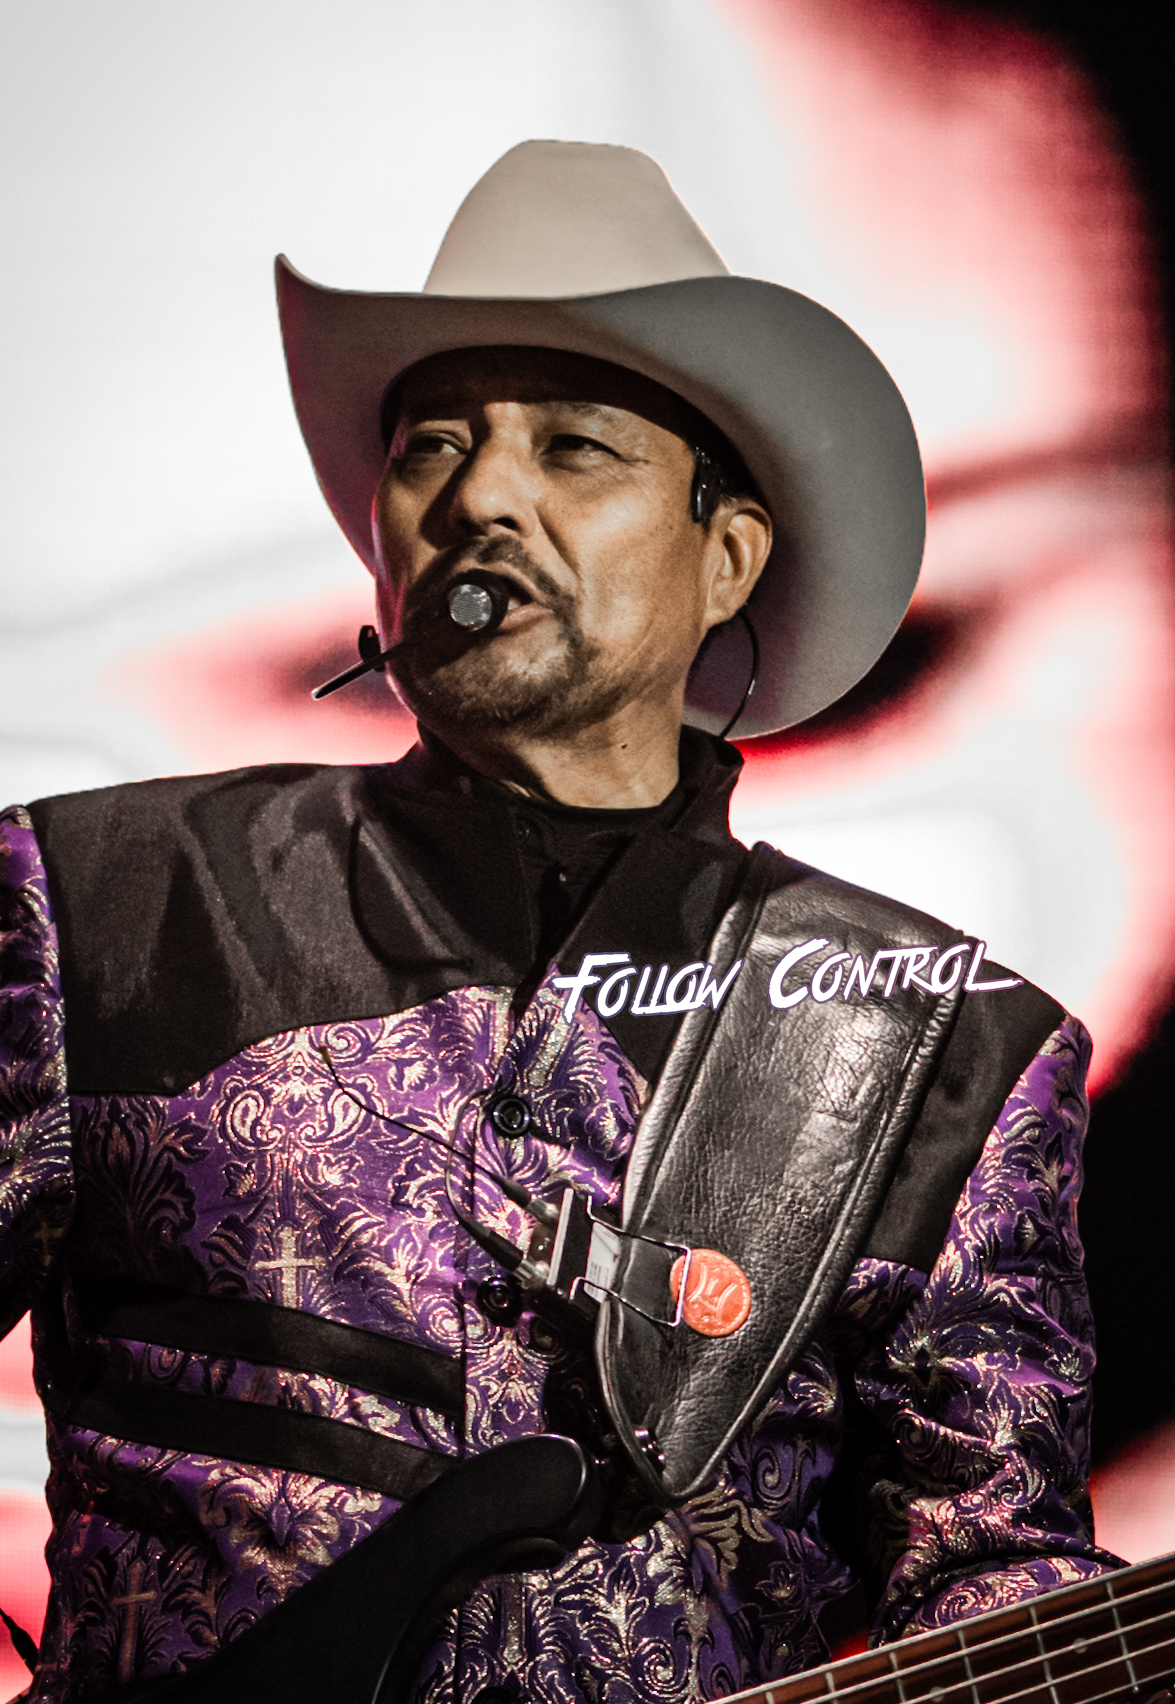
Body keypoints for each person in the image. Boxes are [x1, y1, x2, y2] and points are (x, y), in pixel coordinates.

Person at [0, 142, 1117, 1704]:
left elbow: (995, 1584)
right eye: (432, 448)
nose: (477, 496)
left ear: (729, 557)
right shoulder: (97, 902)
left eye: (575, 448)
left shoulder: (949, 1052)